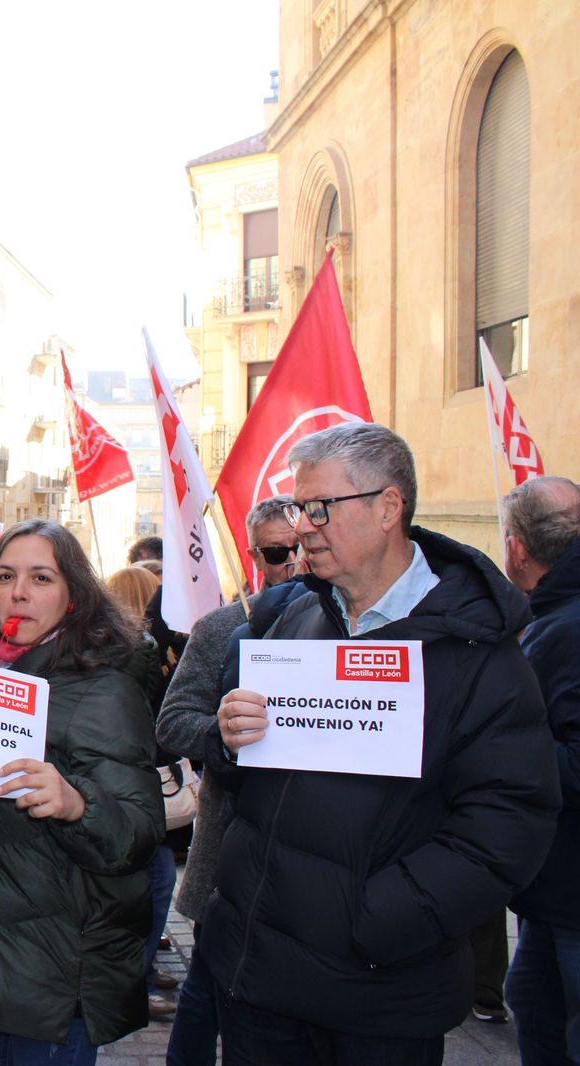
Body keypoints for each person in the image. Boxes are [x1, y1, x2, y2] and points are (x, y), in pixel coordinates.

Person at [204, 423, 559, 1064]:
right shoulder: (297, 617)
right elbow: (246, 779)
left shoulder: (476, 650)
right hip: (257, 984)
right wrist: (230, 740)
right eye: (298, 508)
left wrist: (377, 921)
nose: (303, 527)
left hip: (378, 997)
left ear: (389, 507)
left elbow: (510, 821)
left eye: (320, 507)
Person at [0, 518, 164, 1064]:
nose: (18, 592)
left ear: (74, 596)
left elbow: (139, 834)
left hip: (53, 975)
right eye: (5, 576)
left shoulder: (104, 687)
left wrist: (78, 806)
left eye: (41, 578)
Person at [154, 494, 299, 1066]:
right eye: (276, 552)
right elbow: (172, 722)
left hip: (316, 868)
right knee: (208, 989)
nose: (293, 561)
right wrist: (224, 732)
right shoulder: (223, 628)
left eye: (302, 546)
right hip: (230, 847)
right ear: (254, 556)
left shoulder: (360, 631)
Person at [499, 475, 580, 1064]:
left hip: (570, 890)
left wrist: (494, 745)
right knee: (529, 998)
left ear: (516, 549)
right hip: (552, 887)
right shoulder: (553, 617)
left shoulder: (567, 628)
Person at [108, 563, 181, 1021]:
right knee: (154, 883)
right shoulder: (128, 653)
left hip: (138, 787)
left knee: (157, 881)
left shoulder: (153, 649)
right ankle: (137, 981)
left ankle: (144, 973)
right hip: (132, 789)